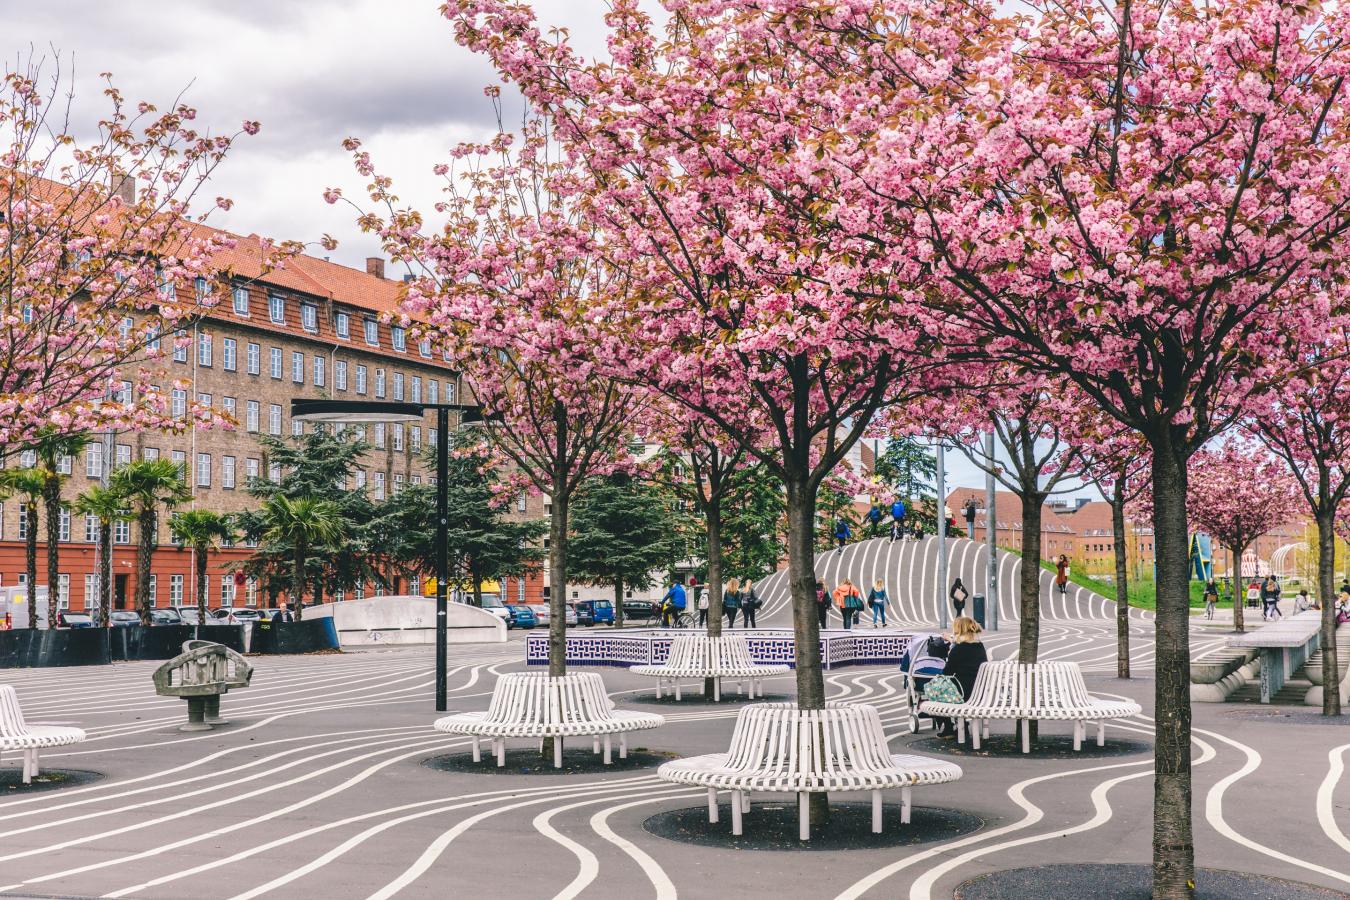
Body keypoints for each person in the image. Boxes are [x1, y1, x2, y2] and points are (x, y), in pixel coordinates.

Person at [933, 617, 988, 737]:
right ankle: (962, 726)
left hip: (964, 693)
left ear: (958, 630)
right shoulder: (979, 646)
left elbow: (947, 672)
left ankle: (948, 727)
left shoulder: (958, 649)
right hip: (979, 691)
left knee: (935, 689)